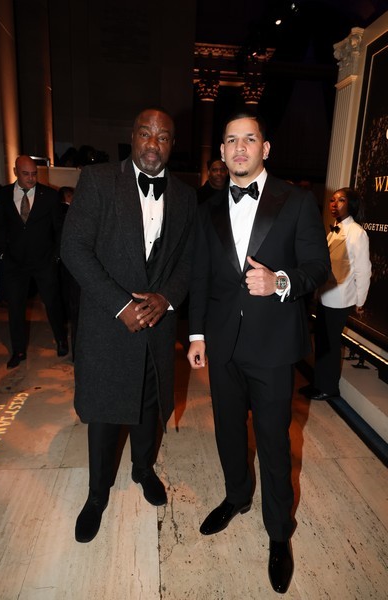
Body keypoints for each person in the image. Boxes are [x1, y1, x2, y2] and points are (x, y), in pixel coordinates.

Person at [187, 110, 330, 594]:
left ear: (265, 148)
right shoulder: (207, 208)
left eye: (249, 139)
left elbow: (318, 266)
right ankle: (237, 497)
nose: (240, 147)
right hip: (223, 343)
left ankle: (279, 532)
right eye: (231, 140)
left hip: (273, 347)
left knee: (273, 442)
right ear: (222, 151)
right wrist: (196, 336)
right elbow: (201, 277)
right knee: (229, 432)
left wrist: (280, 281)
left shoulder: (297, 201)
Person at [61, 107, 196, 544]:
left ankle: (142, 469)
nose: (153, 143)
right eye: (145, 133)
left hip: (157, 326)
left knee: (148, 404)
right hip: (108, 323)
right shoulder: (98, 180)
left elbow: (187, 262)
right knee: (105, 412)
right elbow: (74, 248)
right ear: (132, 137)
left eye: (163, 136)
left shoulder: (186, 196)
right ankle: (96, 495)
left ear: (172, 144)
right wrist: (121, 304)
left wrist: (166, 298)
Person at [0, 155, 68, 368]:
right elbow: (1, 226)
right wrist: (2, 253)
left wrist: (56, 256)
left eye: (34, 174)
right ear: (15, 172)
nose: (31, 178)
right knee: (15, 307)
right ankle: (18, 350)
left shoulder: (50, 195)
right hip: (15, 263)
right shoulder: (4, 194)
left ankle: (61, 339)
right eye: (26, 174)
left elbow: (59, 228)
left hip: (44, 261)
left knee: (52, 303)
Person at [309, 187, 372, 401]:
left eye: (341, 200)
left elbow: (363, 270)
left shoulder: (357, 233)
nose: (334, 204)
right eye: (332, 200)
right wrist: (317, 292)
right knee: (321, 342)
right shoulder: (333, 230)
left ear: (351, 205)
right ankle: (318, 384)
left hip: (341, 299)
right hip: (325, 296)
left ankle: (329, 388)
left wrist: (360, 300)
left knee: (330, 345)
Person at [58, 186, 80, 361]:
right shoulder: (70, 213)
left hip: (67, 268)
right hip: (75, 269)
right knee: (77, 312)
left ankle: (77, 353)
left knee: (75, 312)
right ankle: (78, 353)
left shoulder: (59, 213)